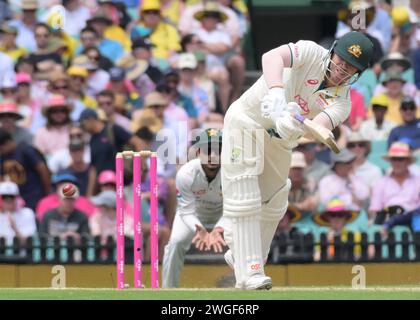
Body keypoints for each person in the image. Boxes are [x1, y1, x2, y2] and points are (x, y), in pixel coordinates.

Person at [220, 31, 373, 290]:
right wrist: (277, 93)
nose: (342, 70)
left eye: (351, 68)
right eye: (342, 61)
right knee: (245, 195)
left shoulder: (341, 103)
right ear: (333, 51)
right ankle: (250, 273)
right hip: (245, 121)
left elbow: (316, 127)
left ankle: (241, 254)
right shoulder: (311, 51)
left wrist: (290, 126)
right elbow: (271, 57)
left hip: (279, 140)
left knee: (277, 201)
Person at [162, 128, 226, 288]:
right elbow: (186, 211)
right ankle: (169, 291)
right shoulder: (186, 173)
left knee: (241, 241)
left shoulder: (232, 173)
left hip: (225, 213)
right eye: (207, 151)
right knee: (176, 243)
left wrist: (219, 229)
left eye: (218, 151)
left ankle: (247, 286)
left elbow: (235, 208)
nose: (213, 156)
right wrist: (200, 230)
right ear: (198, 152)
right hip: (193, 214)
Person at [369, 142, 420, 224]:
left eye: (400, 159)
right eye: (394, 159)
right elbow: (375, 209)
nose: (397, 163)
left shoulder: (418, 182)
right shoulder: (381, 183)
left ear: (408, 161)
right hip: (387, 222)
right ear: (390, 161)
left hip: (413, 222)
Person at [0, 128, 51, 211]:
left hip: (35, 195)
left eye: (1, 148)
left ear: (7, 143)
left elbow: (42, 169)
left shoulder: (26, 150)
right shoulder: (3, 157)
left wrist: (47, 193)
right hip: (16, 198)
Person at [0, 181, 36, 245]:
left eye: (11, 197)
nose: (8, 200)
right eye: (4, 197)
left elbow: (29, 243)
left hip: (22, 254)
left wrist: (14, 227)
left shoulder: (28, 213)